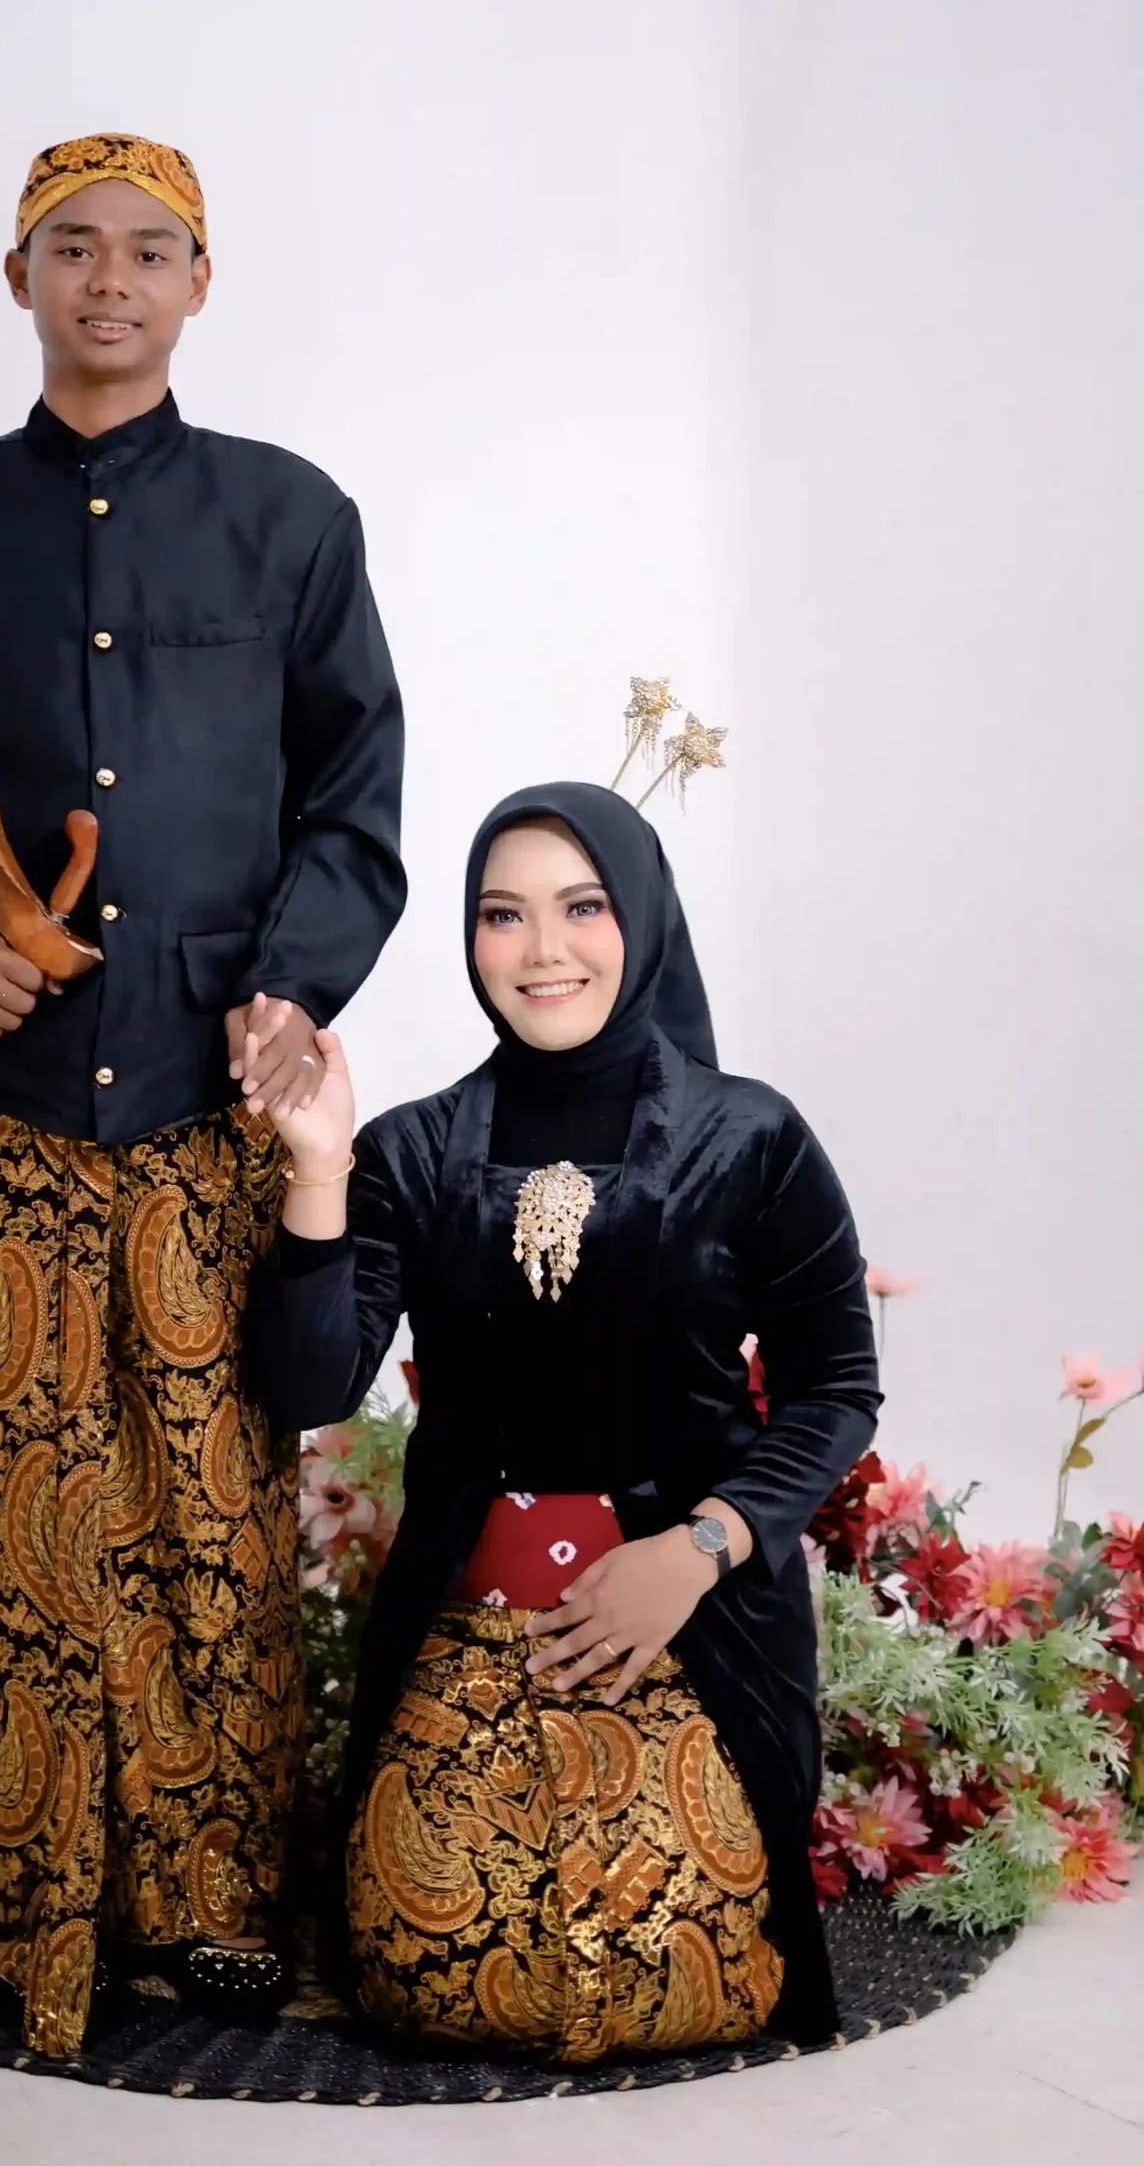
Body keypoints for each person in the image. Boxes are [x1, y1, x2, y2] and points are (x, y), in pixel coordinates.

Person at [0, 131, 406, 2055]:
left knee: (216, 1507)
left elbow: (353, 802)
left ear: (199, 283)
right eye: (72, 248)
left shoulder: (293, 520)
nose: (109, 280)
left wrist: (291, 992)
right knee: (30, 1520)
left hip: (219, 1116)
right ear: (18, 279)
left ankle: (214, 1904)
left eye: (148, 250)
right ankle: (31, 1896)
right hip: (24, 1116)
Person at [250, 782, 880, 2061]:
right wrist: (317, 1165)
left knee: (673, 1963)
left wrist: (696, 1550)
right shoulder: (412, 1151)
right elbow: (311, 1387)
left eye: (581, 907)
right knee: (430, 1967)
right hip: (467, 1628)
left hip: (692, 1625)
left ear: (641, 918)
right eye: (504, 914)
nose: (543, 949)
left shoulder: (750, 1137)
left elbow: (836, 1387)